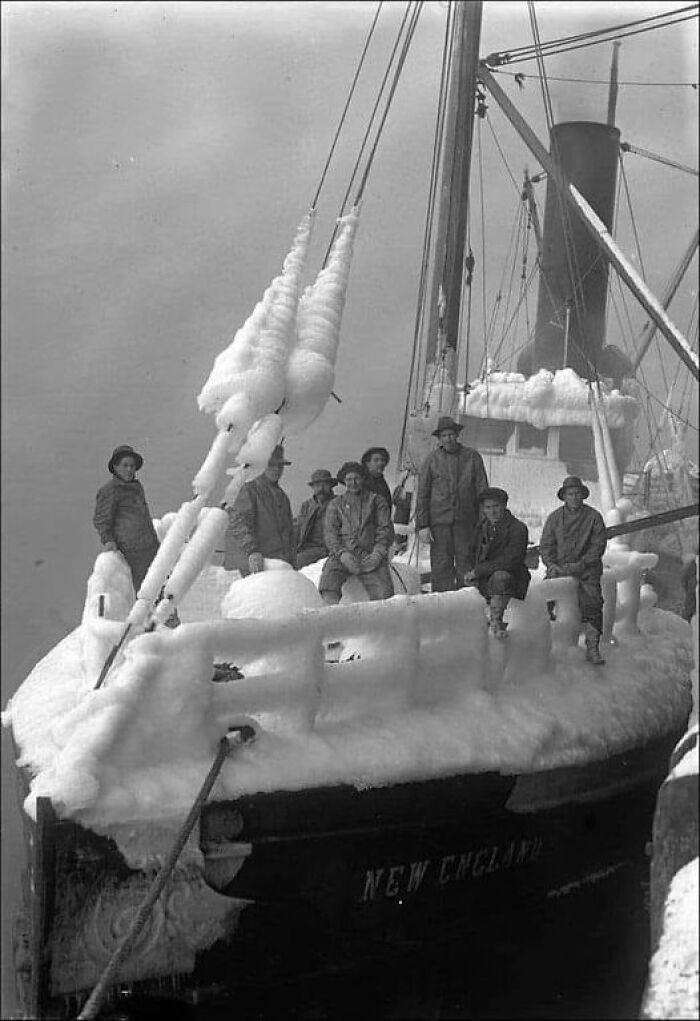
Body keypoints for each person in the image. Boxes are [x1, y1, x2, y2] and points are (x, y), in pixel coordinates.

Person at [539, 476, 608, 666]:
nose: (574, 497)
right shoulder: (554, 518)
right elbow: (546, 545)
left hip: (587, 570)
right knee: (542, 598)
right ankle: (541, 644)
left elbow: (597, 548)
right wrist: (551, 564)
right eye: (570, 494)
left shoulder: (594, 517)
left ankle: (592, 646)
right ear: (564, 496)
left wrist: (580, 565)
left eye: (578, 493)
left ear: (583, 495)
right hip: (560, 567)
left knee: (593, 600)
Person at [415, 415, 488, 592]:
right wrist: (422, 525)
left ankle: (467, 602)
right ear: (439, 439)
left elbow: (482, 491)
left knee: (466, 562)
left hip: (466, 522)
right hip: (439, 523)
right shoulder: (432, 459)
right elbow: (423, 494)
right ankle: (442, 608)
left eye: (451, 434)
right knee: (441, 565)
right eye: (444, 435)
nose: (448, 439)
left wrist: (483, 522)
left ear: (457, 435)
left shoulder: (472, 457)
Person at [319, 461, 394, 604]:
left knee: (384, 593)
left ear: (363, 479)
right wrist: (342, 554)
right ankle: (331, 616)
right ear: (343, 481)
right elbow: (330, 533)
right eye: (348, 479)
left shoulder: (377, 501)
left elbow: (385, 529)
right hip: (343, 555)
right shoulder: (336, 504)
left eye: (357, 478)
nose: (353, 483)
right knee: (328, 583)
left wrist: (378, 553)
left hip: (370, 555)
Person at [464, 487, 530, 638]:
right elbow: (470, 553)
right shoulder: (481, 528)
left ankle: (497, 621)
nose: (492, 511)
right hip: (484, 577)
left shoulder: (517, 529)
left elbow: (510, 561)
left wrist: (478, 571)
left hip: (510, 579)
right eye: (488, 507)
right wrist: (468, 571)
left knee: (501, 577)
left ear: (504, 506)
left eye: (496, 506)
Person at [93, 444, 160, 593]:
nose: (129, 469)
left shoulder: (136, 487)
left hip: (150, 544)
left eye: (132, 466)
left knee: (162, 583)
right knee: (146, 591)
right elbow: (101, 520)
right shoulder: (109, 491)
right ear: (115, 467)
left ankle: (167, 616)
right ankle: (151, 616)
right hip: (133, 552)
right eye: (125, 465)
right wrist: (108, 540)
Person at [224, 444, 295, 575]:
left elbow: (288, 535)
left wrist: (291, 563)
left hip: (277, 566)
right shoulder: (247, 489)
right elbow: (238, 523)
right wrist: (252, 551)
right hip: (252, 565)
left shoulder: (282, 496)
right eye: (272, 465)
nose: (277, 469)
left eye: (280, 466)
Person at [295, 468, 338, 568]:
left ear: (331, 486)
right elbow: (299, 528)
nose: (321, 489)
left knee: (295, 562)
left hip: (326, 548)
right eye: (317, 485)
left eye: (325, 485)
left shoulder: (338, 503)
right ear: (313, 487)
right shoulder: (307, 505)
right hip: (306, 547)